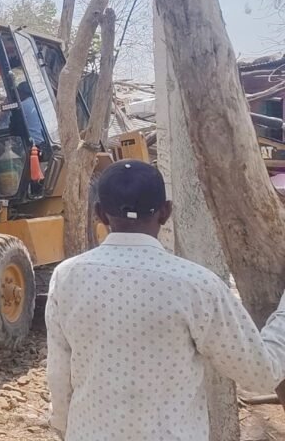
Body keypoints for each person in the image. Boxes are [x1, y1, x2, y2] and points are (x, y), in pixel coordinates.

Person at [46, 161, 285, 441]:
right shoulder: (197, 286)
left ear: (99, 213)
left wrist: (65, 429)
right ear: (166, 212)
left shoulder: (66, 278)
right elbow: (260, 374)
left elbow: (59, 376)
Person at [17, 81, 45, 145]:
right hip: (44, 140)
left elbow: (7, 123)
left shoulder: (22, 106)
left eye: (19, 92)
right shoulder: (38, 102)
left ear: (22, 92)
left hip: (33, 143)